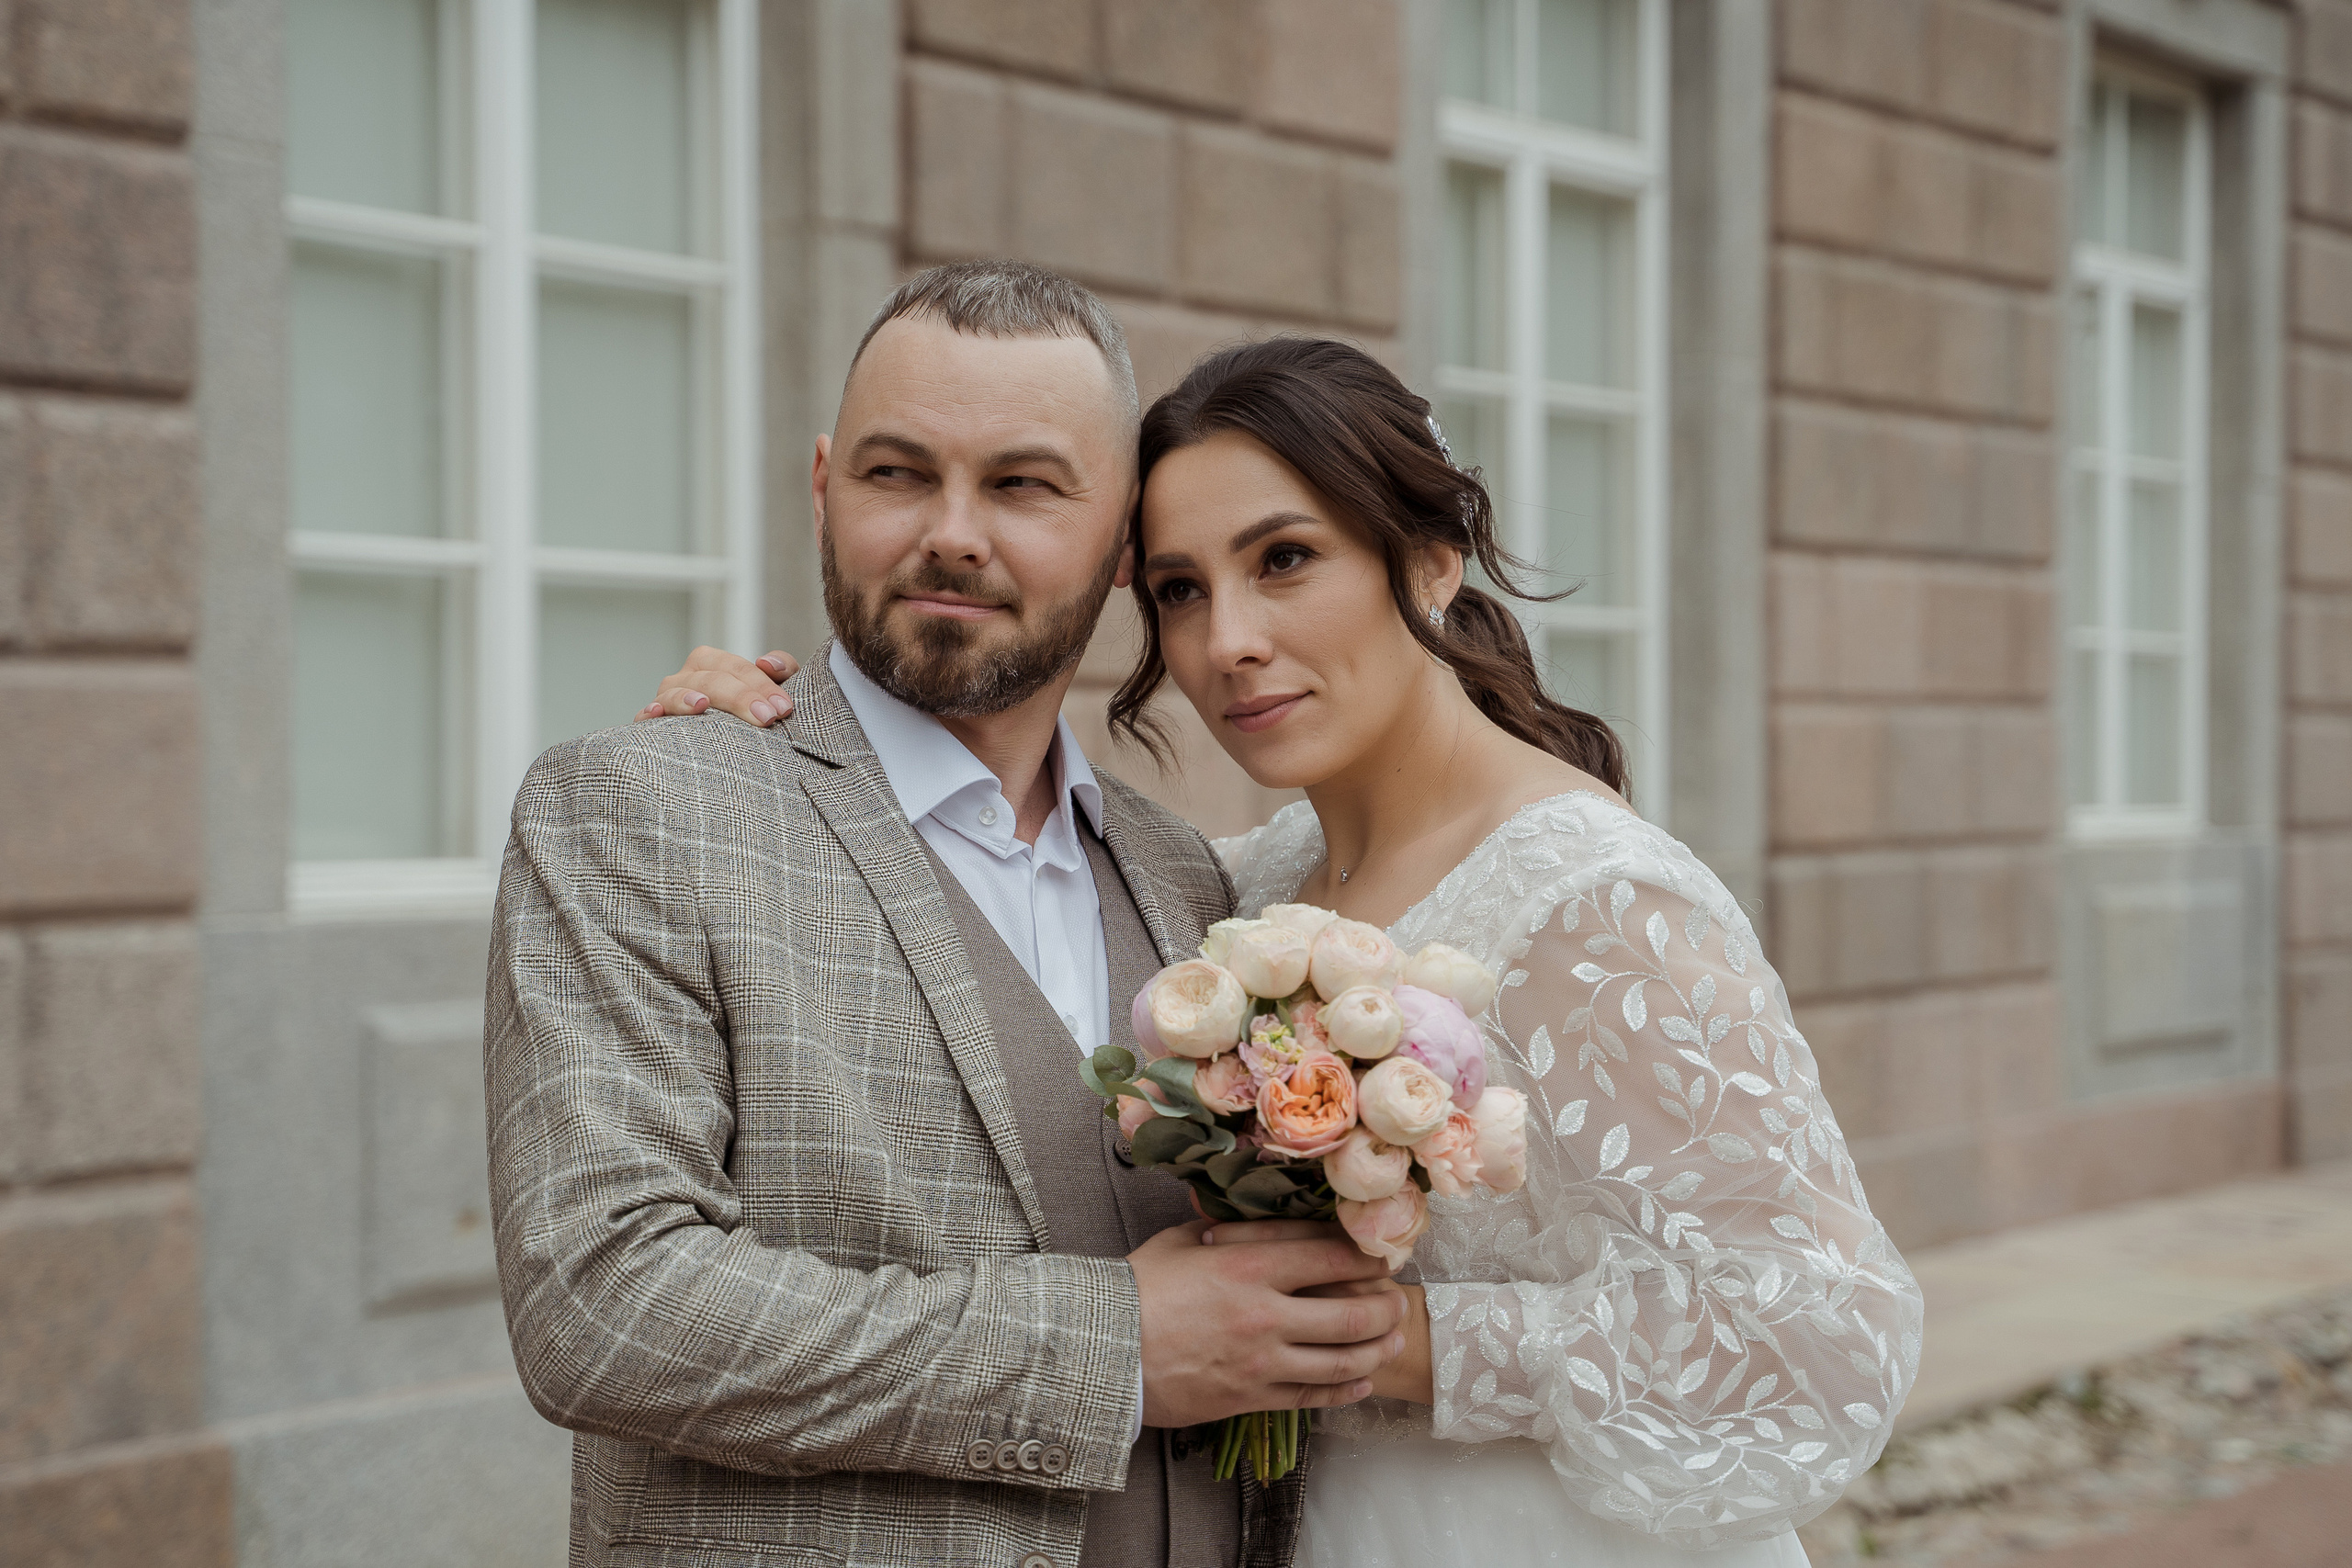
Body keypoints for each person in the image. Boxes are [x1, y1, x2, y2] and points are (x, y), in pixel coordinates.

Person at [645, 334, 1926, 1565]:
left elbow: (1829, 1336)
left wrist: (1398, 1344)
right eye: (1182, 591)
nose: (1226, 645)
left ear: (1430, 563)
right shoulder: (1237, 882)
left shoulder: (1596, 903)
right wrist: (765, 738)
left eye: (1287, 559)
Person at [486, 263, 1415, 1568]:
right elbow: (607, 1307)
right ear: (823, 487)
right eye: (895, 474)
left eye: (1024, 485)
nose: (952, 533)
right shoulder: (639, 808)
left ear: (1121, 552)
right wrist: (1114, 1351)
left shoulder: (1199, 887)